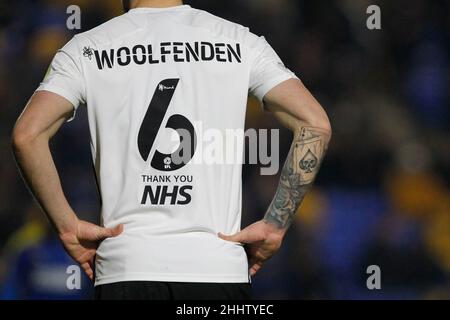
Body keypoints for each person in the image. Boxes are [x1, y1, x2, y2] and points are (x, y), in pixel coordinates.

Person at [12, 0, 331, 300]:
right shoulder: (238, 41)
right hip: (217, 269)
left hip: (127, 268)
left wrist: (67, 226)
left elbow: (27, 135)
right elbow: (315, 124)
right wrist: (276, 223)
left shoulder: (86, 48)